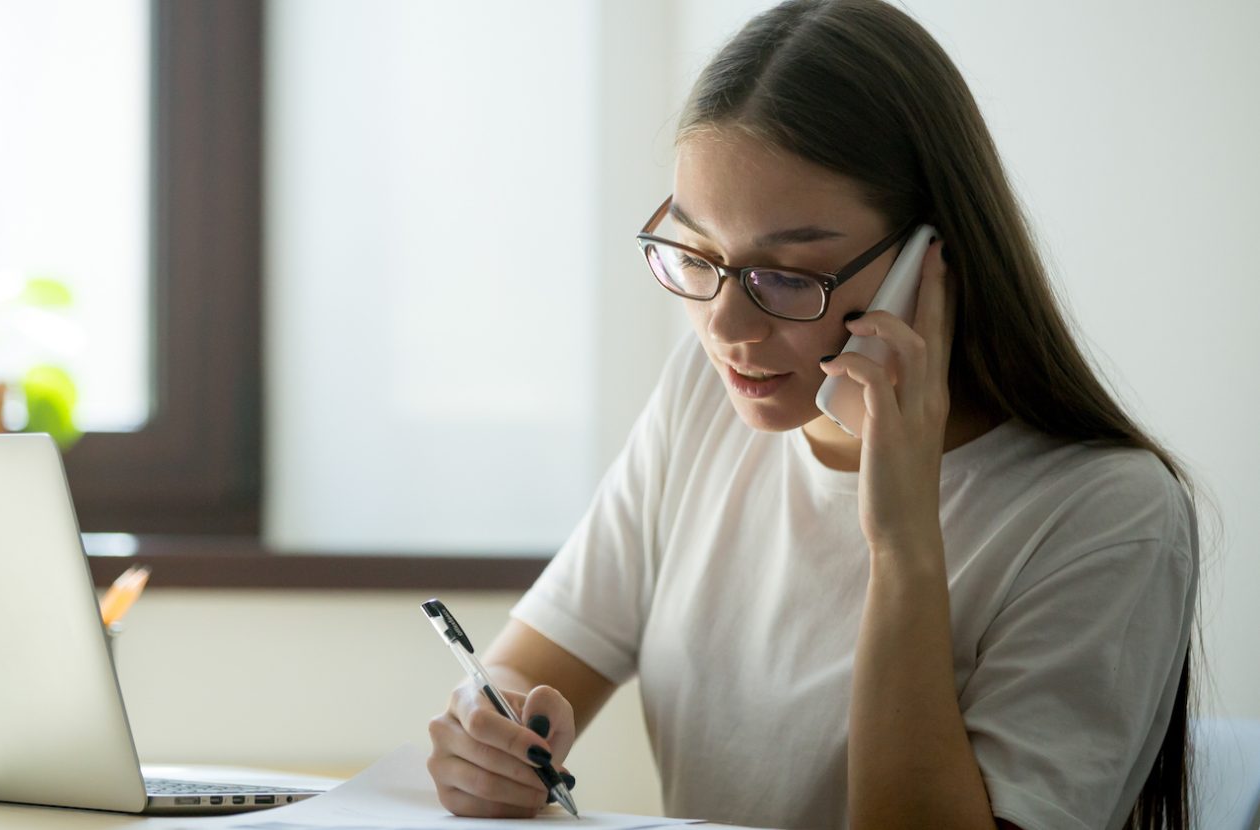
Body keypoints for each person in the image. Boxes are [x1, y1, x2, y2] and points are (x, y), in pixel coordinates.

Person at [423, 1, 1200, 828]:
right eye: (698, 256)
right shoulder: (706, 393)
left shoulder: (1106, 515)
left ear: (928, 261)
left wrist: (902, 546)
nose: (726, 327)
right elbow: (529, 670)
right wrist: (490, 738)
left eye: (790, 277)